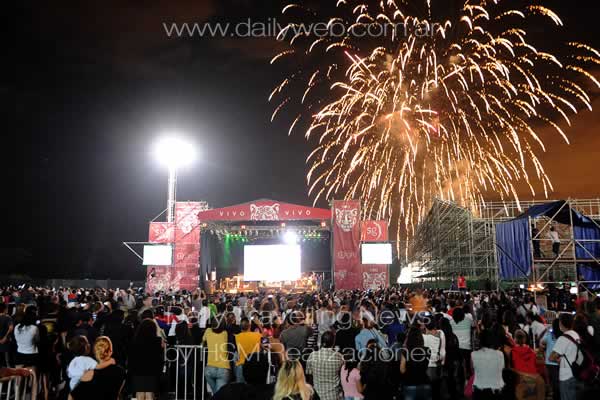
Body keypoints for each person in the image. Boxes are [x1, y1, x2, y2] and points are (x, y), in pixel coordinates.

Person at [549, 313, 583, 400]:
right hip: (577, 372)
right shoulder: (576, 335)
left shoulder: (563, 338)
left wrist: (559, 360)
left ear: (561, 324)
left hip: (566, 375)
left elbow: (552, 357)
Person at [129, 319, 165, 400]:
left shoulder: (134, 341)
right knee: (150, 394)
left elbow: (131, 357)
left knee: (139, 394)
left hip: (138, 371)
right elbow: (160, 356)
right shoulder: (158, 341)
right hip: (152, 371)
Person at [306, 331, 344, 400]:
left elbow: (309, 376)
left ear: (321, 342)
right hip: (333, 395)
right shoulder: (339, 357)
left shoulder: (312, 356)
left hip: (317, 395)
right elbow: (342, 375)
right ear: (333, 342)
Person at [471, 330, 504, 400]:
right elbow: (501, 370)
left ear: (480, 340)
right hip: (495, 390)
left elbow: (473, 372)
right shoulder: (500, 354)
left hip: (479, 390)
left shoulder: (473, 355)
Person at [400, 327, 431, 400]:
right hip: (424, 382)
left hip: (410, 383)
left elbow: (402, 370)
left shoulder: (405, 352)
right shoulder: (427, 350)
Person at [202, 317, 232, 393]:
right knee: (219, 395)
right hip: (223, 368)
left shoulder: (208, 331)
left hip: (209, 369)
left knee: (216, 394)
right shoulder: (225, 333)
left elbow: (203, 341)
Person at [423, 318, 445, 400]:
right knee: (436, 390)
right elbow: (443, 350)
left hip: (426, 365)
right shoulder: (440, 333)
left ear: (425, 325)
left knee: (428, 391)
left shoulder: (422, 336)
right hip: (437, 364)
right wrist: (442, 363)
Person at [235, 317, 262, 382]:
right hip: (254, 365)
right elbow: (266, 338)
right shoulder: (257, 335)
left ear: (240, 327)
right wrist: (259, 325)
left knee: (240, 389)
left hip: (241, 366)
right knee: (253, 388)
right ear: (250, 326)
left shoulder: (236, 337)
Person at [540, 318, 562, 400]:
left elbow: (542, 342)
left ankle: (554, 396)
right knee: (559, 383)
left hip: (549, 363)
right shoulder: (563, 336)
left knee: (552, 383)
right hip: (559, 362)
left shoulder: (549, 334)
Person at [0, 303, 13, 367]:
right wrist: (5, 337)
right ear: (5, 309)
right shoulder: (8, 318)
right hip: (5, 342)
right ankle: (10, 375)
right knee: (7, 360)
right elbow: (11, 328)